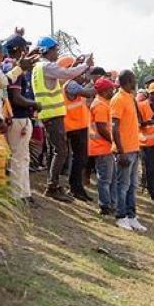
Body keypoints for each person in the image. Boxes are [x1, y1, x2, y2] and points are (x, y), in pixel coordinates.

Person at [31, 36, 92, 201]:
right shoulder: (46, 66)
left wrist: (76, 66)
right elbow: (67, 73)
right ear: (47, 50)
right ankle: (52, 186)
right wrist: (85, 65)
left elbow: (63, 77)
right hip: (53, 115)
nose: (57, 53)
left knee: (58, 150)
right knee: (61, 151)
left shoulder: (39, 67)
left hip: (49, 115)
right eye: (55, 50)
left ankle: (54, 185)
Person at [4, 36, 42, 204]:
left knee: (23, 157)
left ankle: (24, 193)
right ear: (18, 50)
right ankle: (17, 195)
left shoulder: (15, 67)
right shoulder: (14, 67)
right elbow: (16, 98)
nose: (26, 52)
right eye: (24, 48)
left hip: (21, 118)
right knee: (18, 158)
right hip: (17, 118)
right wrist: (35, 103)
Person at [111, 70, 147, 231]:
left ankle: (132, 216)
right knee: (123, 185)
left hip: (134, 148)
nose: (135, 83)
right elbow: (114, 126)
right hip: (124, 150)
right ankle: (121, 216)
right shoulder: (118, 99)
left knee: (132, 185)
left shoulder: (130, 98)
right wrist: (121, 151)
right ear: (128, 81)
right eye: (133, 80)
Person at [62, 56, 96, 201]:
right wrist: (100, 85)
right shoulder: (71, 85)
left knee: (80, 159)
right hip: (74, 127)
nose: (84, 77)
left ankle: (77, 188)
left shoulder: (73, 83)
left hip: (79, 126)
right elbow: (88, 93)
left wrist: (87, 71)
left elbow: (86, 85)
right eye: (80, 73)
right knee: (79, 159)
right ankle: (75, 188)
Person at [89, 78, 117, 215]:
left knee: (110, 177)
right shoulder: (100, 105)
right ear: (105, 91)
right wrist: (114, 141)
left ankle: (111, 203)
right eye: (111, 89)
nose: (113, 90)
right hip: (102, 146)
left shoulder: (104, 102)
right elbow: (101, 128)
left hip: (105, 146)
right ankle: (105, 206)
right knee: (105, 178)